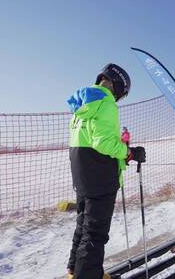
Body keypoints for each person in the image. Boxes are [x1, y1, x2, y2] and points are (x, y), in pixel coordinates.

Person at [66, 63, 146, 279]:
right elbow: (104, 143)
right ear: (119, 87)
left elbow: (90, 140)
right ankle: (87, 275)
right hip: (100, 176)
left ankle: (76, 271)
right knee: (95, 233)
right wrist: (129, 152)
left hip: (83, 173)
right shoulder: (106, 103)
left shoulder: (84, 104)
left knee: (84, 224)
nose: (120, 98)